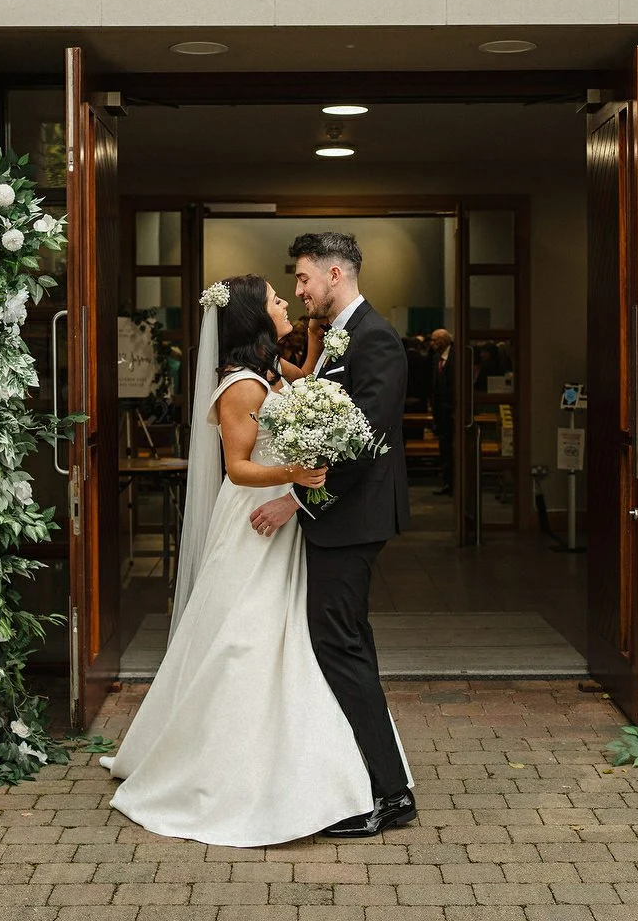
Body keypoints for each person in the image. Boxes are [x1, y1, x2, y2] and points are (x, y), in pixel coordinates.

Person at [98, 273, 411, 847]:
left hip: (283, 524)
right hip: (255, 521)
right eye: (275, 298)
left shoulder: (269, 374)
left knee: (290, 640)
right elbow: (238, 468)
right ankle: (231, 770)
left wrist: (313, 350)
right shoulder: (240, 386)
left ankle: (317, 765)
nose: (286, 300)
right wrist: (294, 478)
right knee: (246, 639)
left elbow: (306, 388)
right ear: (253, 317)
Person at [248, 232, 416, 838]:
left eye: (303, 279)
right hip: (340, 520)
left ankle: (391, 795)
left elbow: (364, 441)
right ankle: (372, 779)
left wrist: (297, 497)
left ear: (336, 273)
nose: (299, 290)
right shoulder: (340, 337)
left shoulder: (376, 340)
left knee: (340, 648)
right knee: (349, 647)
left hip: (353, 518)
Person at [429, 328, 455, 495]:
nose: (432, 344)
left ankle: (454, 483)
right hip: (441, 414)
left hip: (452, 412)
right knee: (444, 449)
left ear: (445, 341)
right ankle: (447, 482)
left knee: (452, 449)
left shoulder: (455, 358)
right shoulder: (436, 359)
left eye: (435, 340)